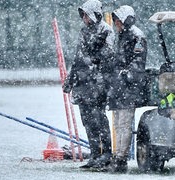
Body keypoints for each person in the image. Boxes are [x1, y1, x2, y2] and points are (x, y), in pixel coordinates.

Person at [63, 0, 114, 169]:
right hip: (82, 85)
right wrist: (70, 80)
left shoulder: (106, 30)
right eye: (82, 15)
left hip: (97, 85)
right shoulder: (84, 31)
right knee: (88, 121)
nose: (83, 18)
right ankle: (94, 154)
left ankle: (106, 154)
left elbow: (108, 56)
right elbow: (78, 58)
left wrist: (92, 56)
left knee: (99, 120)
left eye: (86, 14)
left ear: (94, 14)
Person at [107, 5, 147, 173]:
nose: (116, 23)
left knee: (124, 124)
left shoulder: (137, 36)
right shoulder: (122, 36)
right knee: (117, 124)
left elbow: (138, 63)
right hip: (119, 88)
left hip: (128, 89)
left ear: (125, 20)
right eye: (115, 20)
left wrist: (125, 75)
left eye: (118, 20)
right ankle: (117, 155)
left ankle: (120, 158)